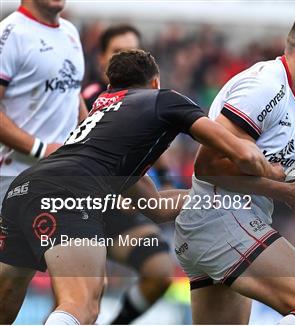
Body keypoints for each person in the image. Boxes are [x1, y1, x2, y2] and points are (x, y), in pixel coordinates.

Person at [0, 49, 283, 325]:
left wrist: (217, 200)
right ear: (155, 83)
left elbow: (156, 207)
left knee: (6, 297)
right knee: (82, 306)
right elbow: (241, 153)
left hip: (25, 188)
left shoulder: (107, 120)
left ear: (112, 87)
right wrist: (275, 173)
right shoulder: (165, 100)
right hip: (71, 191)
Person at [174, 10, 295, 324]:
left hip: (229, 222)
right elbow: (207, 166)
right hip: (221, 214)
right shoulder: (265, 86)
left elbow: (282, 165)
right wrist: (287, 192)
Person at [82, 24, 176, 324]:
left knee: (160, 271)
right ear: (102, 61)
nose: (127, 60)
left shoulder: (146, 105)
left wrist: (169, 183)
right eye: (118, 53)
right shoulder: (89, 101)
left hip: (119, 213)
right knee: (83, 297)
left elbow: (156, 156)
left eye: (133, 52)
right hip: (82, 212)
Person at [0, 0, 87, 213]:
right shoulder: (10, 34)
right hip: (16, 177)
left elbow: (72, 93)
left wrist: (88, 142)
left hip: (65, 175)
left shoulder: (70, 31)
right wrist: (42, 149)